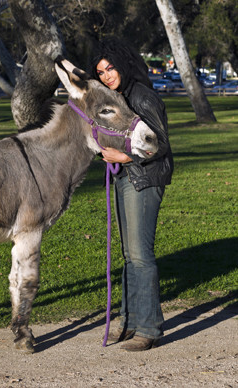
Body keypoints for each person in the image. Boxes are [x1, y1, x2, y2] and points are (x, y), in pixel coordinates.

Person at [89, 38, 174, 351]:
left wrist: (124, 158)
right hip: (126, 178)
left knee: (140, 255)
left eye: (110, 68)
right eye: (101, 72)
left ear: (122, 64)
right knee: (129, 256)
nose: (107, 75)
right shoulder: (120, 96)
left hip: (144, 178)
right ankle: (130, 321)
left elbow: (159, 144)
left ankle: (149, 328)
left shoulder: (141, 95)